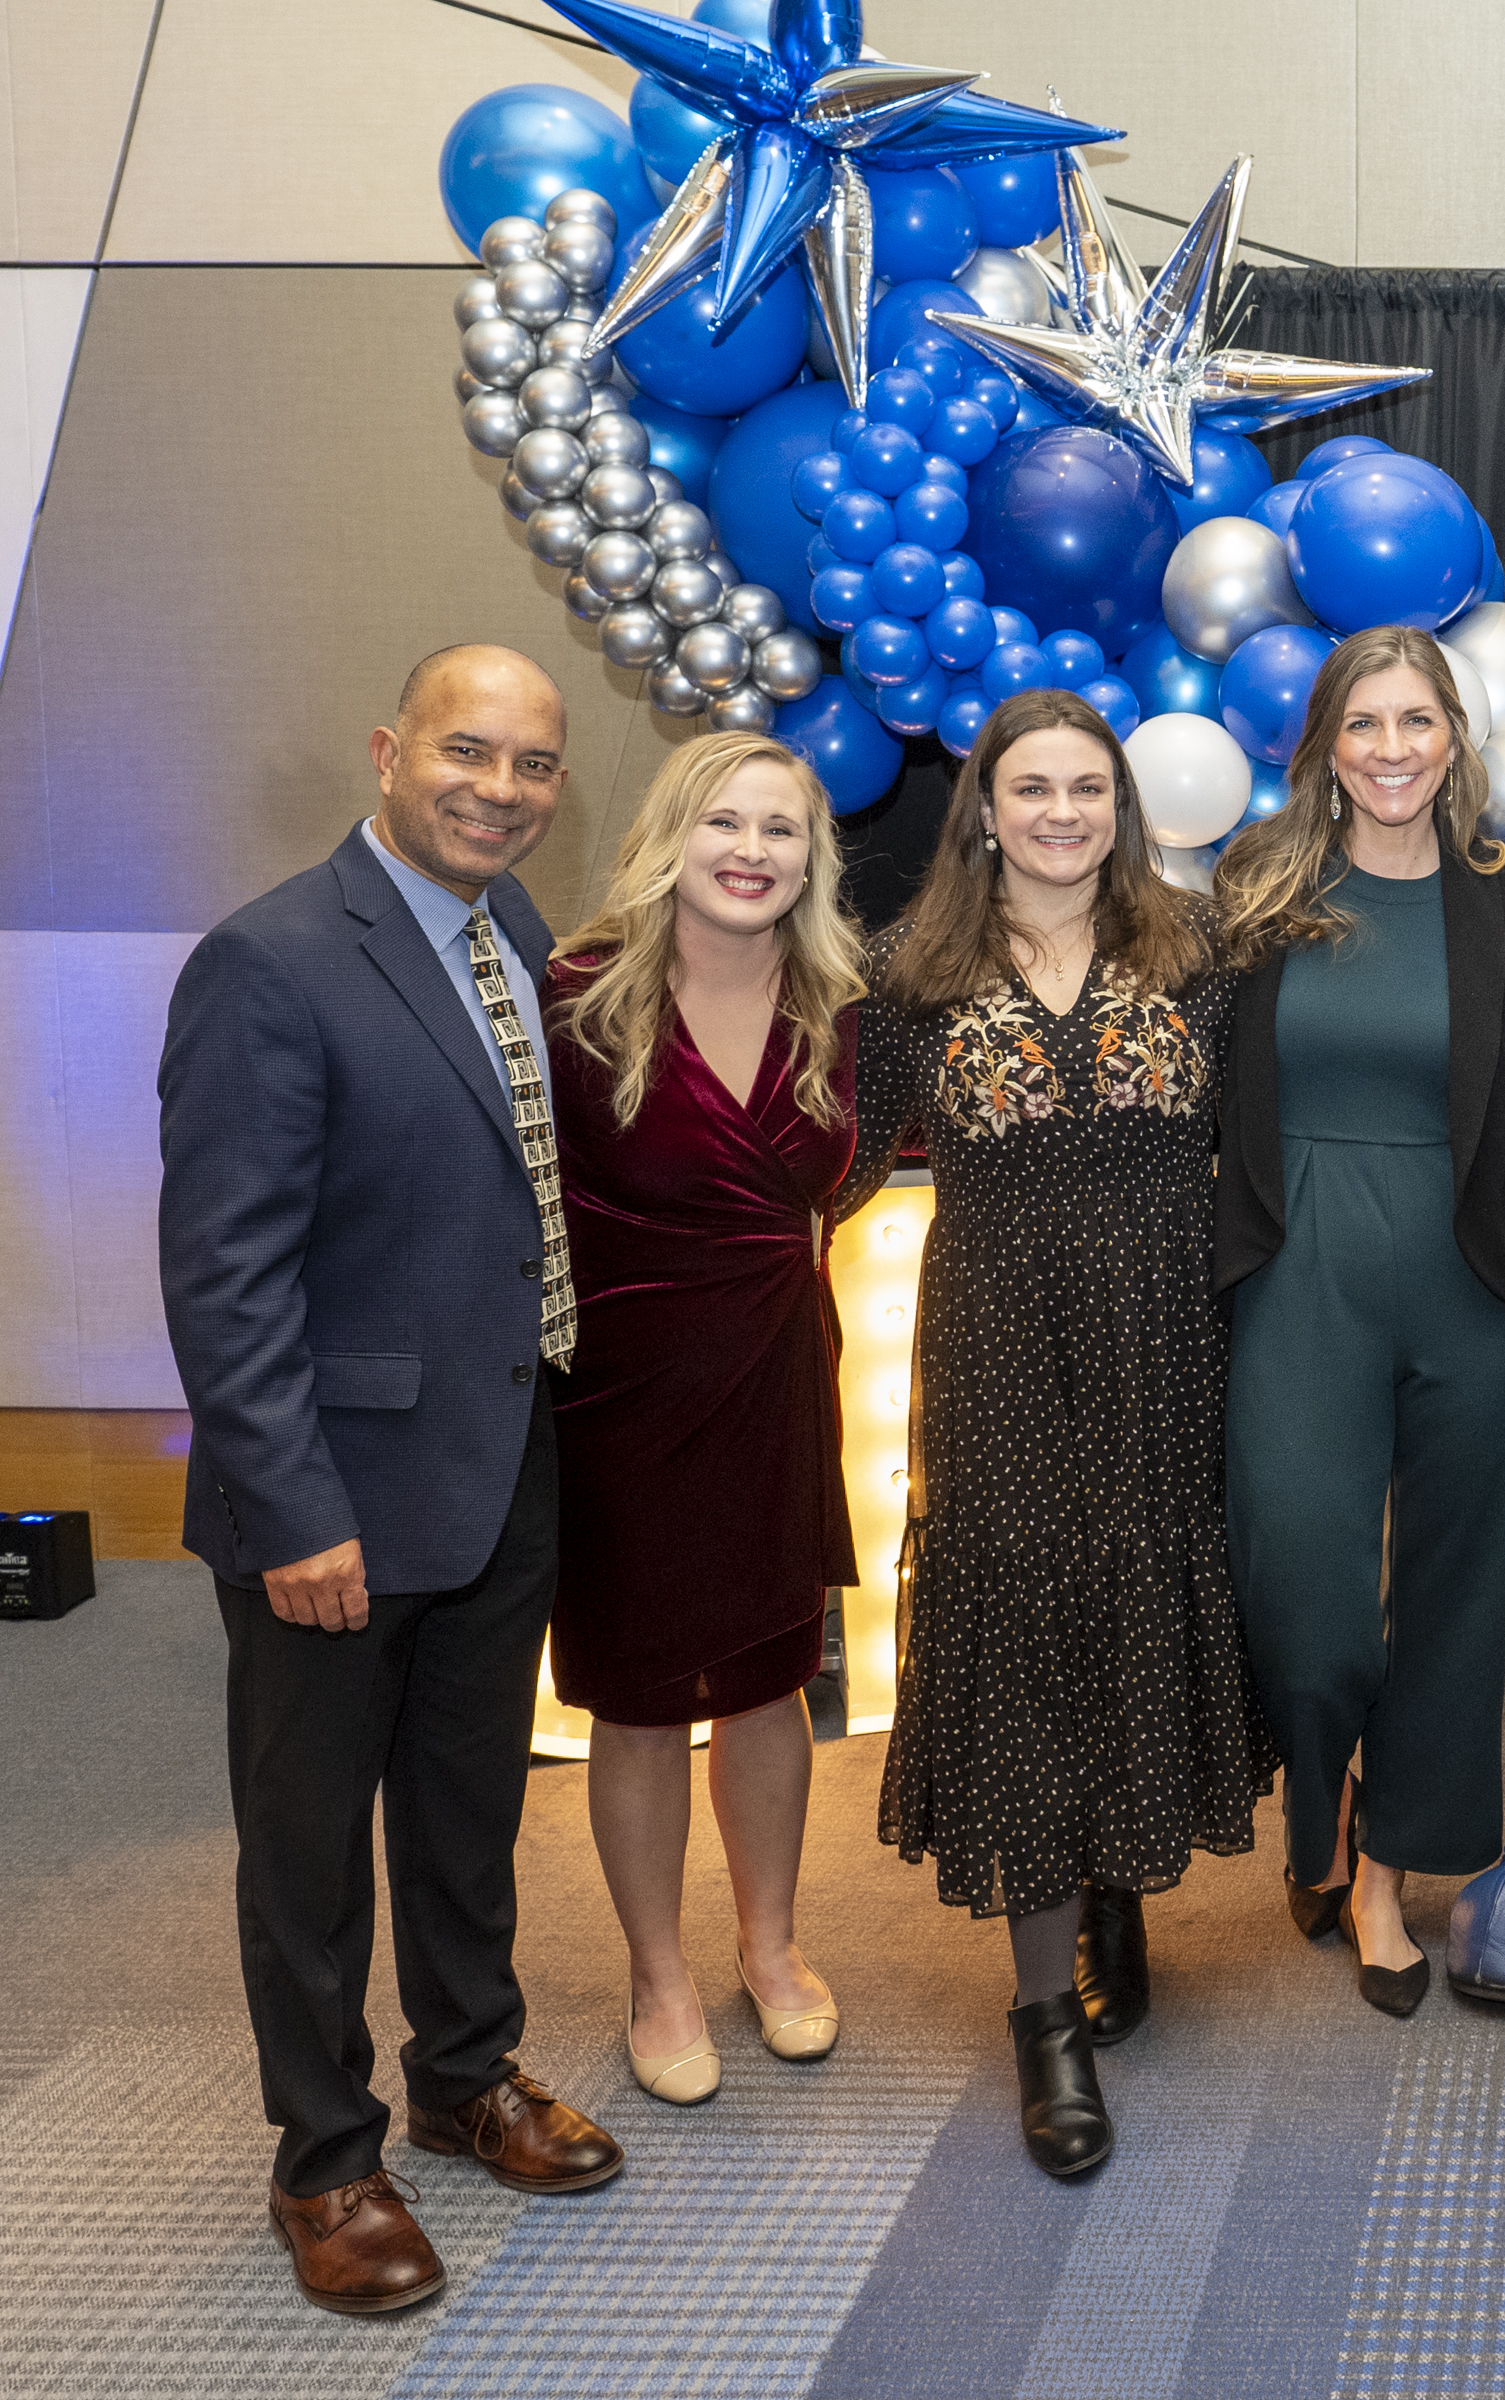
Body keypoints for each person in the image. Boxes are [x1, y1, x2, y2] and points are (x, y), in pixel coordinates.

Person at [158, 644, 624, 2317]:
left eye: (534, 765)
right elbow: (225, 1277)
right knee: (306, 1845)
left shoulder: (509, 932)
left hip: (497, 1465)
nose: (501, 789)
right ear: (389, 750)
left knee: (467, 1810)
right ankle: (326, 2161)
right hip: (333, 1499)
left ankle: (464, 2075)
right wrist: (292, 1512)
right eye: (469, 753)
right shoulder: (270, 963)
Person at [837, 689, 1271, 2182]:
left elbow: (1280, 1139)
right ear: (985, 810)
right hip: (1001, 1352)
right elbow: (823, 1171)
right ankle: (1045, 2020)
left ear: (1124, 809)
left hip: (1164, 1346)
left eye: (1091, 788)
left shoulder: (1196, 958)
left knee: (1133, 1608)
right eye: (1035, 789)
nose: (1065, 814)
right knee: (1022, 1636)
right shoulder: (912, 978)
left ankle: (1114, 1884)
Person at [1212, 625, 1505, 2021]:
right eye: (1364, 725)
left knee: (1453, 1590)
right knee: (1304, 1602)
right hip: (1300, 1269)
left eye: (1418, 721)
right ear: (1324, 744)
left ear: (1453, 736)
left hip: (1472, 1278)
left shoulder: (1502, 889)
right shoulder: (1261, 880)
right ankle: (1331, 1799)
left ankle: (1383, 1876)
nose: (1392, 750)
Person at [541, 733, 870, 2105]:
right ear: (672, 835)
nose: (751, 851)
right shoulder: (570, 998)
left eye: (780, 830)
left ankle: (773, 1948)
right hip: (620, 1392)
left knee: (768, 1676)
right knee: (636, 1696)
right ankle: (658, 1975)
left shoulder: (839, 1004)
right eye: (724, 822)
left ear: (811, 856)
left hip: (776, 1372)